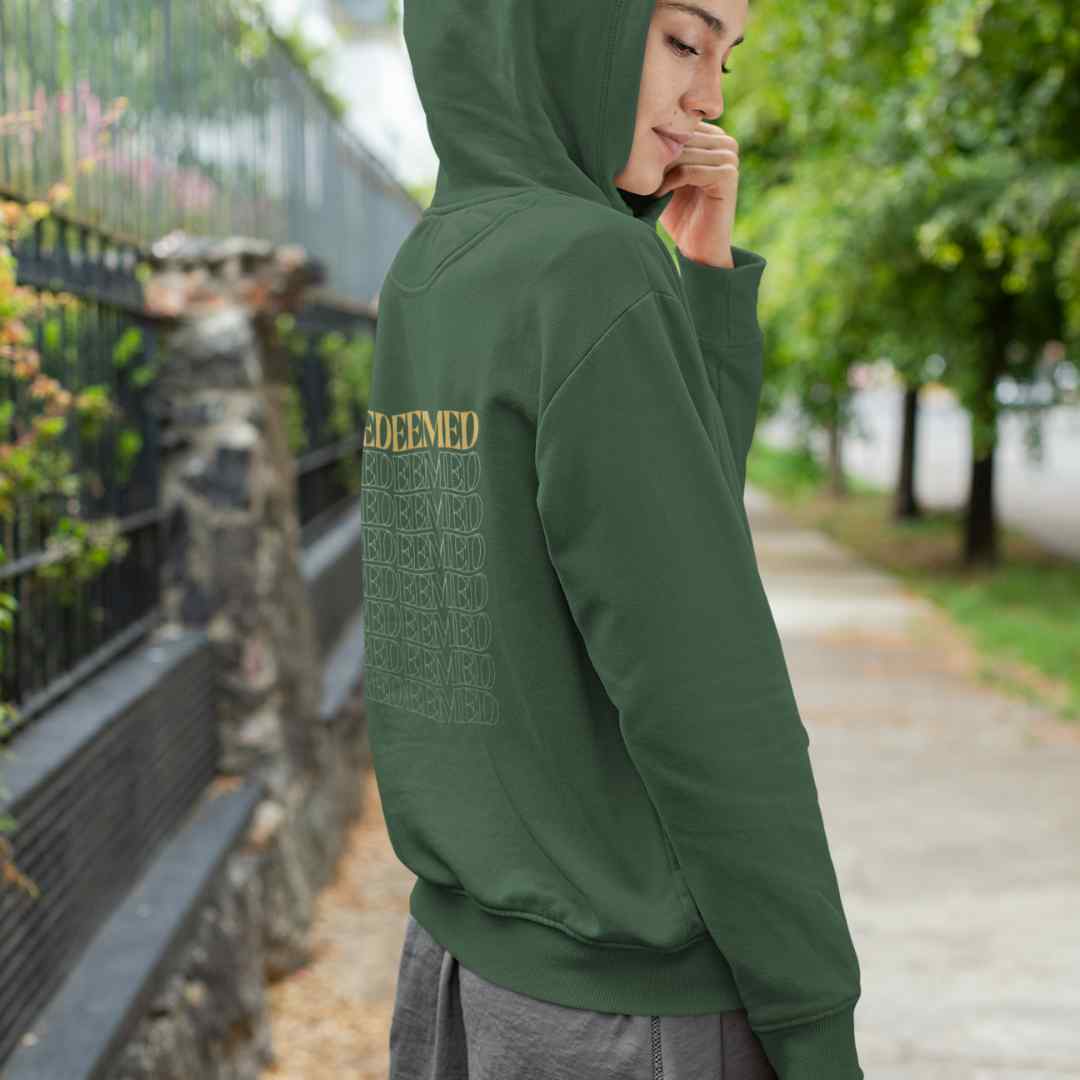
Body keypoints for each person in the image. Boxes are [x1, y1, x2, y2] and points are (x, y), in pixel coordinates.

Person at [360, 0, 866, 1076]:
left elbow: (668, 535)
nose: (710, 99)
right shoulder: (591, 268)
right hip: (630, 1013)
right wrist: (816, 1017)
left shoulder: (429, 270)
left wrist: (703, 271)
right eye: (684, 40)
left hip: (461, 971)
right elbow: (704, 684)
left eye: (726, 58)